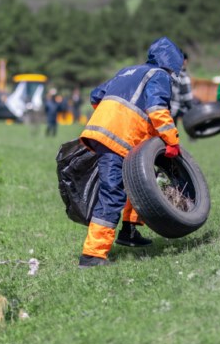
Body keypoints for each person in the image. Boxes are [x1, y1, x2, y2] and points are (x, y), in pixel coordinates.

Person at [77, 37, 183, 268]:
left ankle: (129, 232)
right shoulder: (160, 75)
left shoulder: (128, 71)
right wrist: (171, 140)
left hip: (105, 133)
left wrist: (109, 117)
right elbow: (157, 109)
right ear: (172, 62)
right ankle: (92, 255)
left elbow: (96, 95)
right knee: (113, 193)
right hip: (118, 137)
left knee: (135, 182)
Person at [170, 50, 195, 129]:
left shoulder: (167, 71)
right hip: (173, 110)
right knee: (171, 135)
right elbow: (187, 98)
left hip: (160, 109)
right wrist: (194, 111)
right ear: (185, 61)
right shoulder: (183, 75)